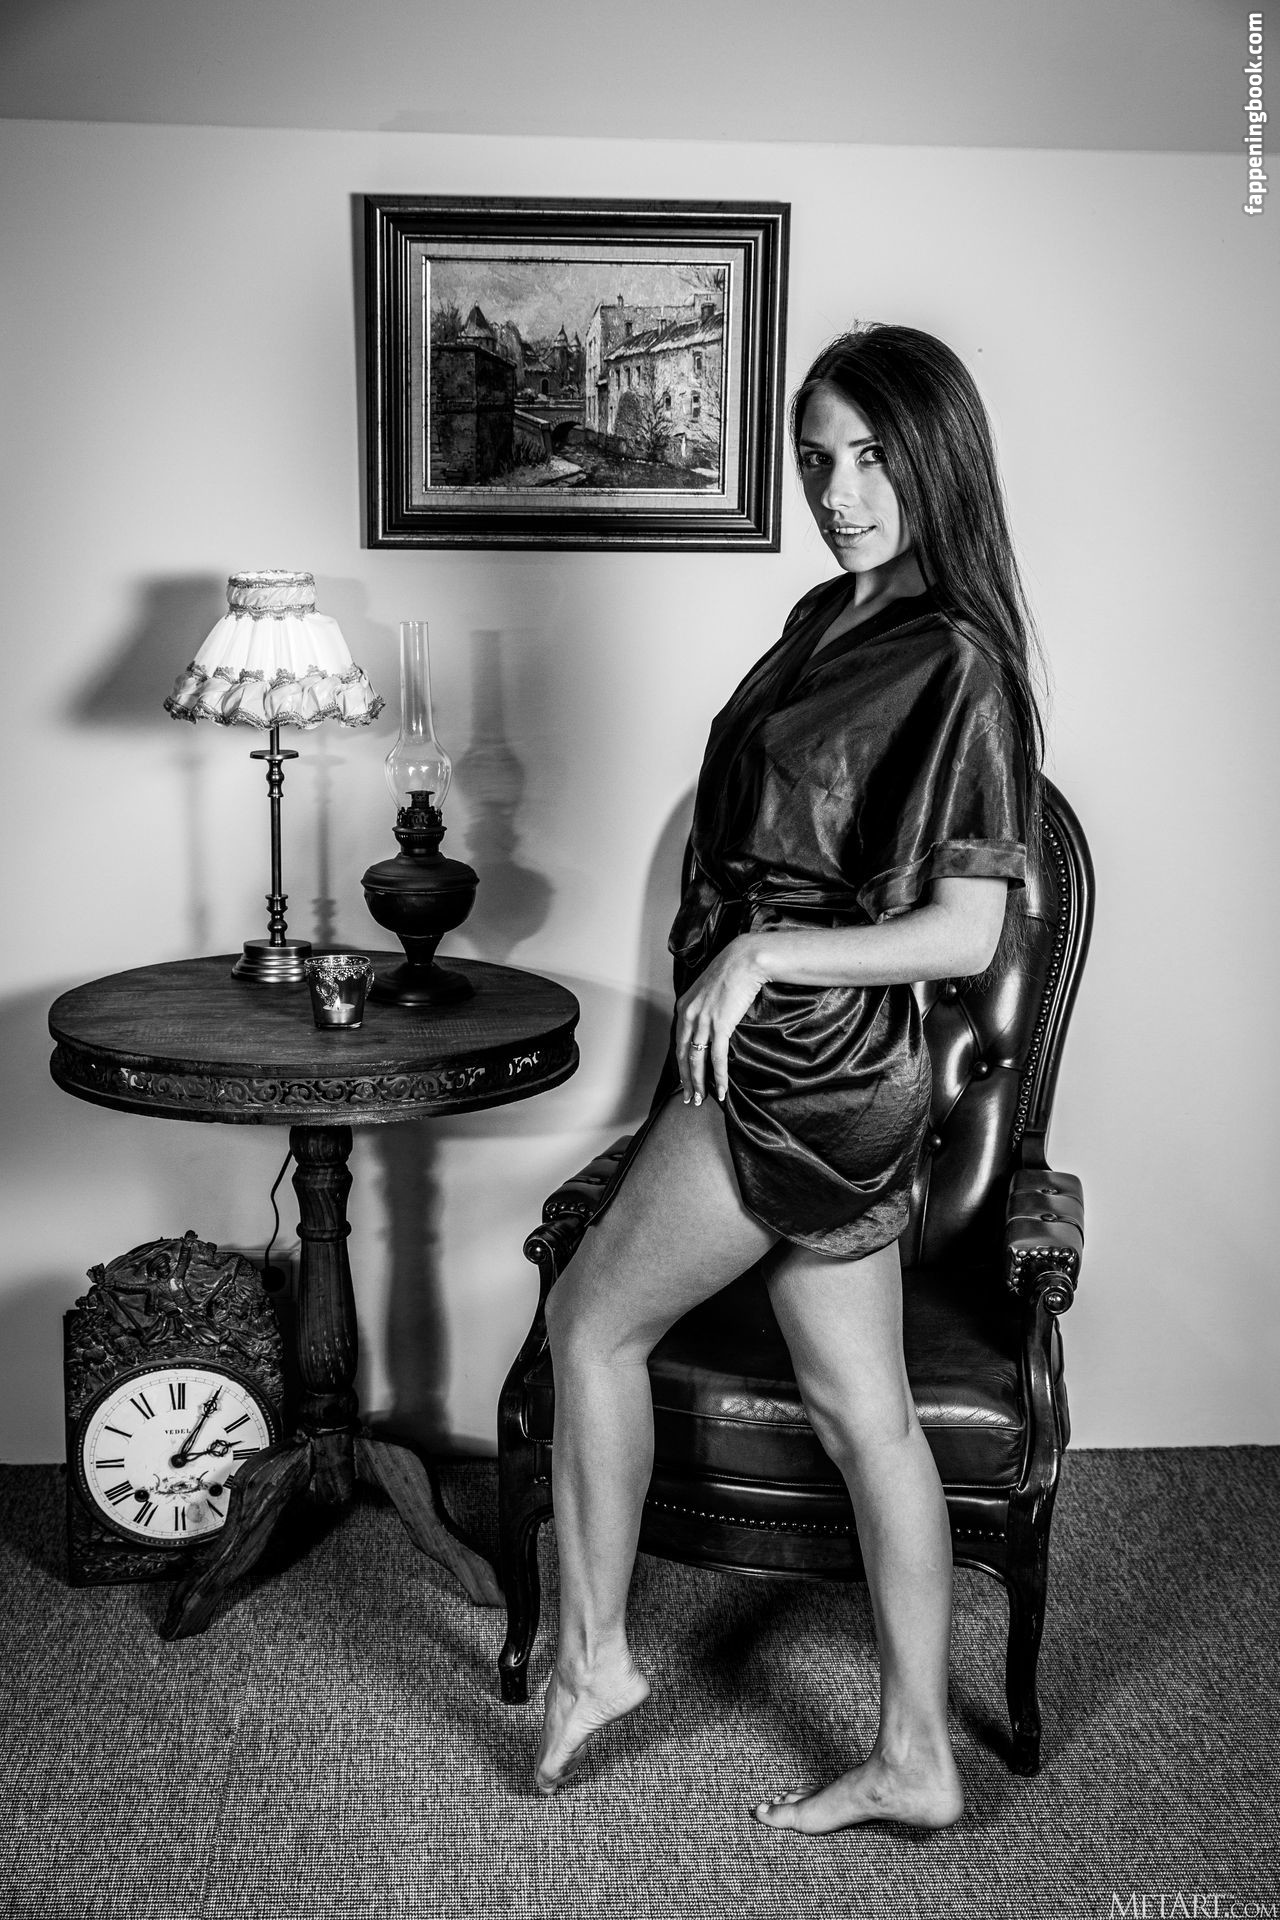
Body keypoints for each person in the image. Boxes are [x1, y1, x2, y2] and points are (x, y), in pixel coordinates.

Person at [534, 323, 1044, 1833]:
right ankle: (917, 1758)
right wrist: (738, 955)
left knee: (589, 1328)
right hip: (818, 1065)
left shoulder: (959, 659)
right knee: (864, 1412)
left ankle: (595, 1659)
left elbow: (965, 930)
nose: (839, 491)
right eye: (818, 460)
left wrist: (761, 956)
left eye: (873, 458)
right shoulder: (831, 612)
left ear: (938, 459)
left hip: (797, 1066)